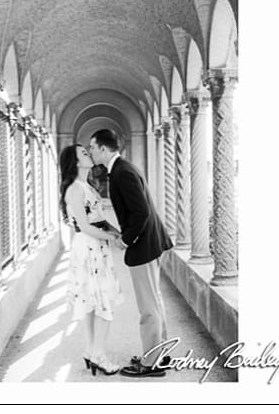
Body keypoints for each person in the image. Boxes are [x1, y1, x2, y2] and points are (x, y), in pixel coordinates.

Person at [88, 129, 174, 377]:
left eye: (92, 147)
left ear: (103, 149)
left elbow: (141, 212)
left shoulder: (122, 172)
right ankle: (159, 355)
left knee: (148, 307)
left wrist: (126, 240)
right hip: (150, 242)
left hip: (144, 246)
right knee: (154, 302)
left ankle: (151, 364)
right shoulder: (122, 169)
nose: (91, 152)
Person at [59, 144, 124, 376]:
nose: (88, 153)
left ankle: (91, 350)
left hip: (97, 246)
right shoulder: (75, 189)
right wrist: (112, 239)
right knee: (101, 298)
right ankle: (98, 355)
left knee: (93, 300)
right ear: (75, 162)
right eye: (83, 153)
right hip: (88, 248)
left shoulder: (87, 186)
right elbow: (85, 227)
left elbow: (99, 218)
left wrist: (117, 233)